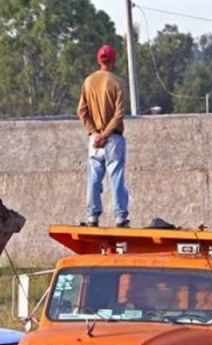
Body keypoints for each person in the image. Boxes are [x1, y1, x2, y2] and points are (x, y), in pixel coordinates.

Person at [77, 44, 130, 228]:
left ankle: (92, 216)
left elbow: (82, 111)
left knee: (93, 177)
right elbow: (119, 113)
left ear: (99, 60)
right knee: (116, 177)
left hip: (95, 140)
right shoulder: (118, 83)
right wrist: (106, 134)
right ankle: (120, 218)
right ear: (114, 60)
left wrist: (95, 133)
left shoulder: (88, 81)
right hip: (113, 138)